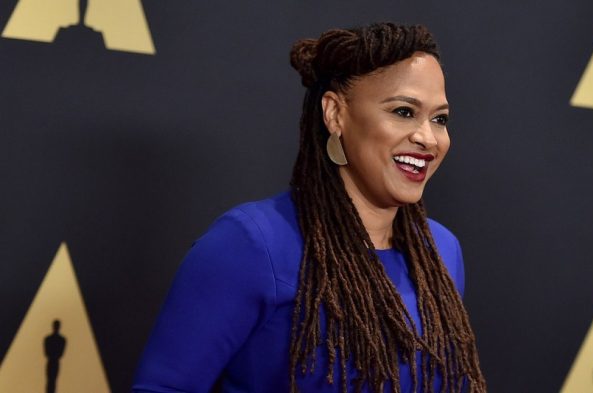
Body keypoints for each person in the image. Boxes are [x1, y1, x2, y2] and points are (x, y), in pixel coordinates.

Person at [132, 22, 486, 393]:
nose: (427, 138)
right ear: (335, 114)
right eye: (403, 111)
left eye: (439, 119)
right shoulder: (251, 245)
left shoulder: (440, 251)